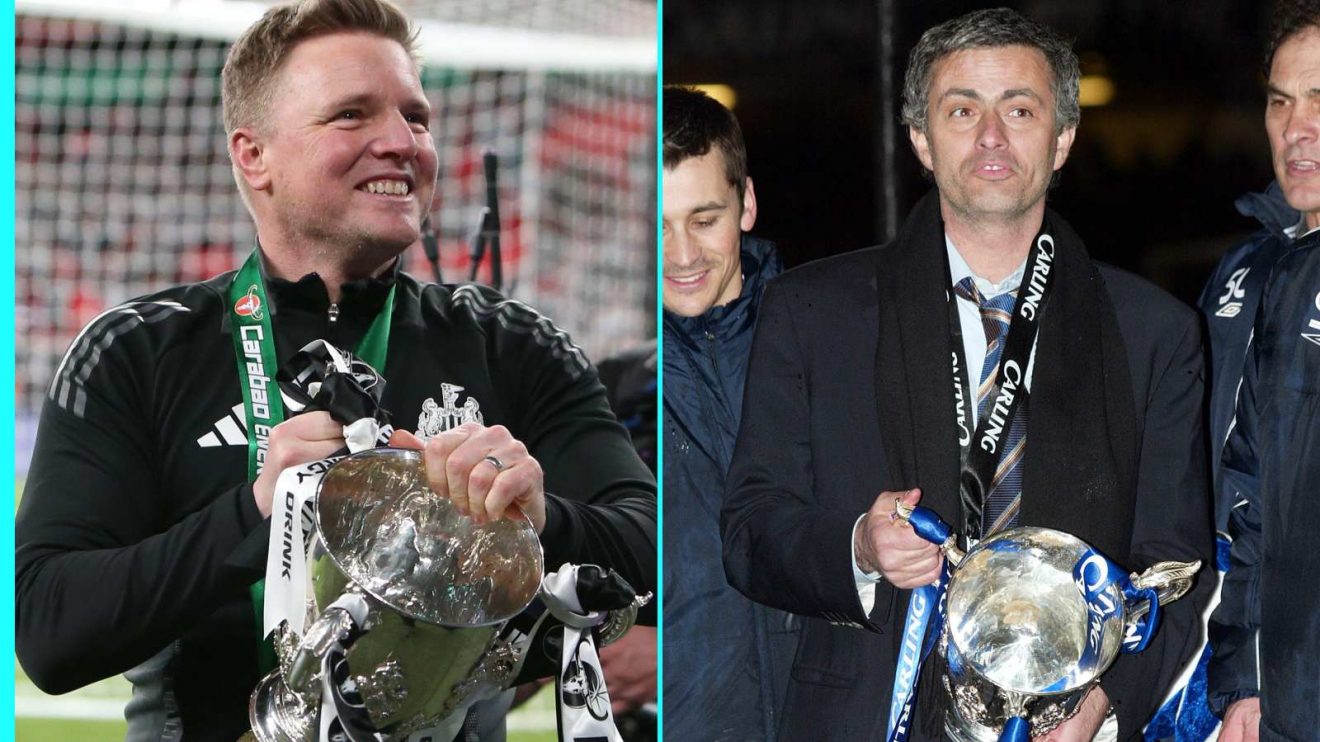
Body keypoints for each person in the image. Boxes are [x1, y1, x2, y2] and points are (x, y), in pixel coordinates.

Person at [13, 0, 656, 739]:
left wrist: (545, 520)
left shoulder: (511, 344)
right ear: (255, 155)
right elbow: (49, 630)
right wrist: (260, 512)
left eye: (416, 118)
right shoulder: (137, 352)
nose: (400, 142)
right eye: (352, 115)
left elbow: (654, 553)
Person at [721, 8, 1213, 741]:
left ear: (1063, 138)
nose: (991, 136)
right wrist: (858, 545)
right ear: (921, 138)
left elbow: (1177, 568)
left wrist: (1102, 699)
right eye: (962, 110)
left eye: (1019, 109)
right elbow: (750, 531)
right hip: (867, 716)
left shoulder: (1157, 333)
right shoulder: (811, 313)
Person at [662, 85, 797, 741]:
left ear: (745, 205)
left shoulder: (834, 349)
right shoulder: (595, 380)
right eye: (655, 224)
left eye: (703, 218)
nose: (681, 254)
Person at [1207, 2, 1320, 739]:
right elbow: (1236, 487)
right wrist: (1242, 676)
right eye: (1281, 101)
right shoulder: (1241, 274)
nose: (1297, 127)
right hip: (1253, 689)